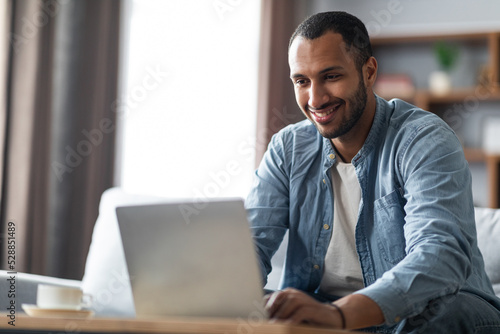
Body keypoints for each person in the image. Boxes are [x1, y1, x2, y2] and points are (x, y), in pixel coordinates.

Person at [245, 11, 500, 333]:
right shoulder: (288, 148)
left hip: (427, 307)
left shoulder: (424, 139)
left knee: (442, 314)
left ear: (368, 72)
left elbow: (439, 255)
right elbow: (250, 245)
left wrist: (341, 316)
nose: (315, 98)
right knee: (251, 308)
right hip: (323, 306)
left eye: (331, 76)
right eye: (302, 81)